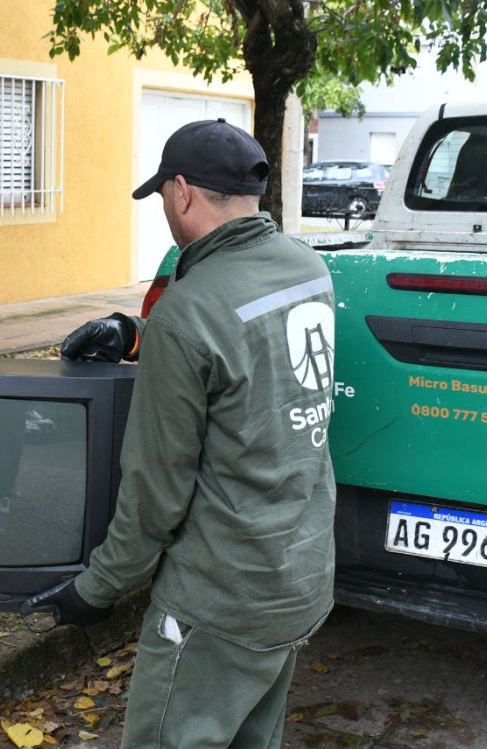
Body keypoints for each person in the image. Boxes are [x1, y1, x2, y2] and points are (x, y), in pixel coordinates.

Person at [28, 119, 338, 748]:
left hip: (219, 600)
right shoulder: (308, 269)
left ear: (182, 193)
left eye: (163, 198)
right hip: (298, 577)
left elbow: (155, 495)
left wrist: (97, 590)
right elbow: (254, 371)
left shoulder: (188, 312)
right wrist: (136, 336)